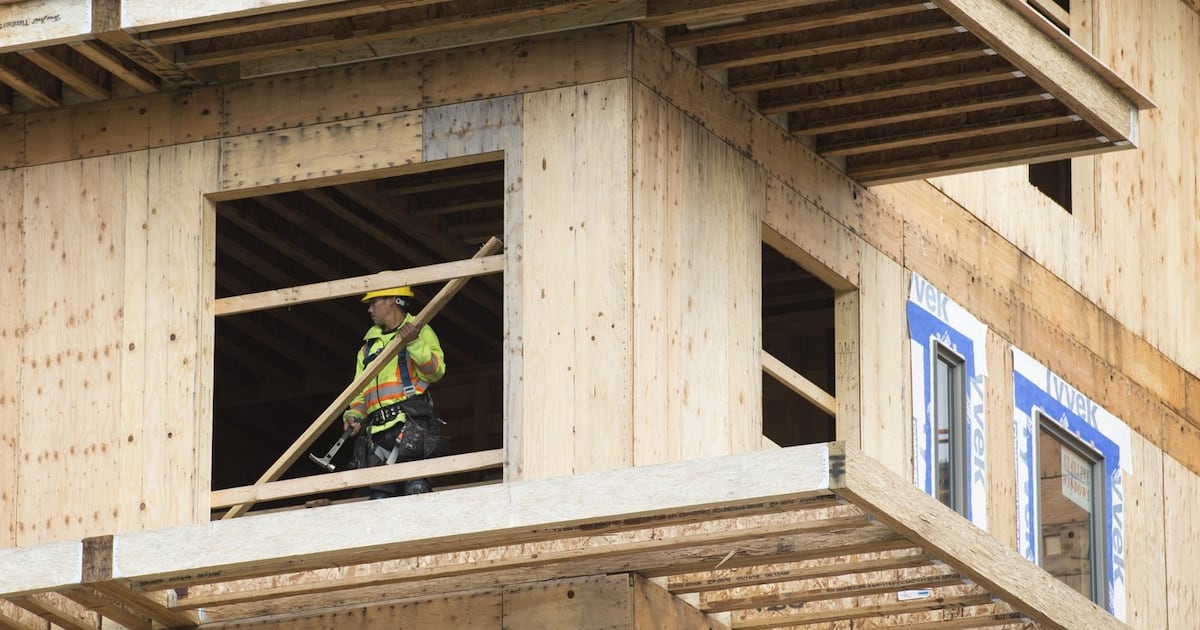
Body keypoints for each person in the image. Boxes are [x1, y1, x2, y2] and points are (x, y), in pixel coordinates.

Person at [343, 286, 447, 498]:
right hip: (378, 432)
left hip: (411, 424)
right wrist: (353, 415)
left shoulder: (421, 330)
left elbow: (435, 372)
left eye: (374, 303)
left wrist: (415, 342)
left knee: (415, 490)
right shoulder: (367, 348)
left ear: (391, 299)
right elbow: (360, 392)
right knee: (379, 497)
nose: (369, 309)